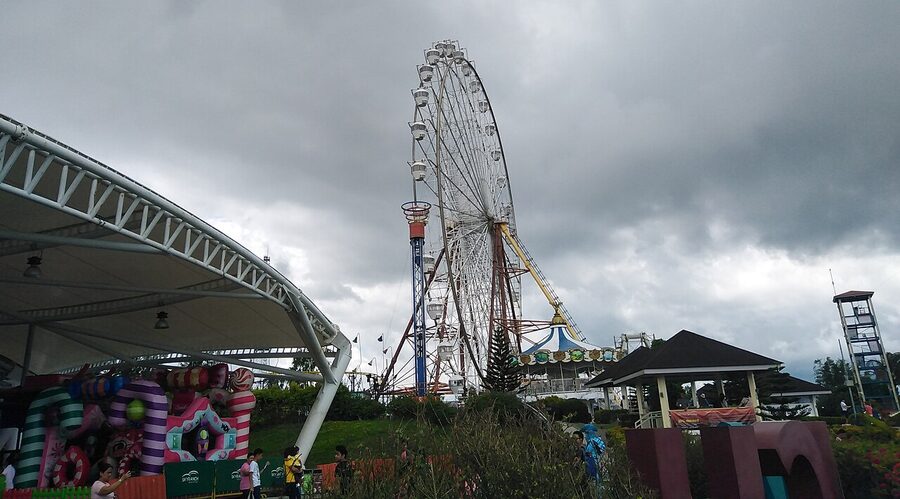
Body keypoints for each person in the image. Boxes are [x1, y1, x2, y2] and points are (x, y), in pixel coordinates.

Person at [581, 423, 606, 496]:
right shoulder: (598, 440)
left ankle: (598, 495)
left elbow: (587, 453)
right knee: (599, 480)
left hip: (593, 463)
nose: (585, 436)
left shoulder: (591, 442)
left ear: (588, 433)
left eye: (586, 433)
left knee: (596, 482)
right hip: (599, 461)